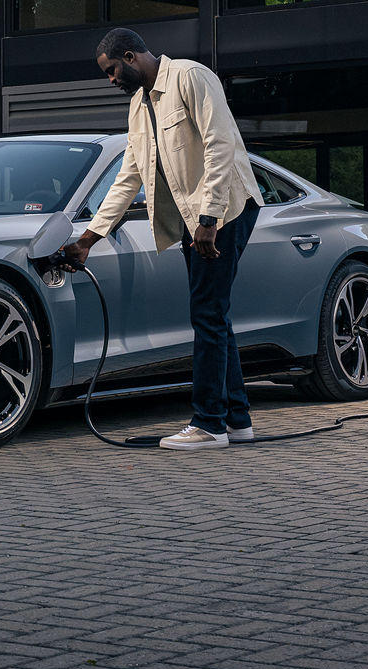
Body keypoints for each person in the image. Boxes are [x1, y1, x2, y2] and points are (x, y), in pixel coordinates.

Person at [63, 27, 264, 449]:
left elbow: (219, 144)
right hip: (198, 221)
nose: (111, 80)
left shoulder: (191, 76)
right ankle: (237, 421)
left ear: (132, 57)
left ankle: (209, 425)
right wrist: (89, 238)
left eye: (112, 70)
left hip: (225, 208)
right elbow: (129, 177)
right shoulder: (138, 106)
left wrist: (209, 217)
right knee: (214, 314)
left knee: (207, 315)